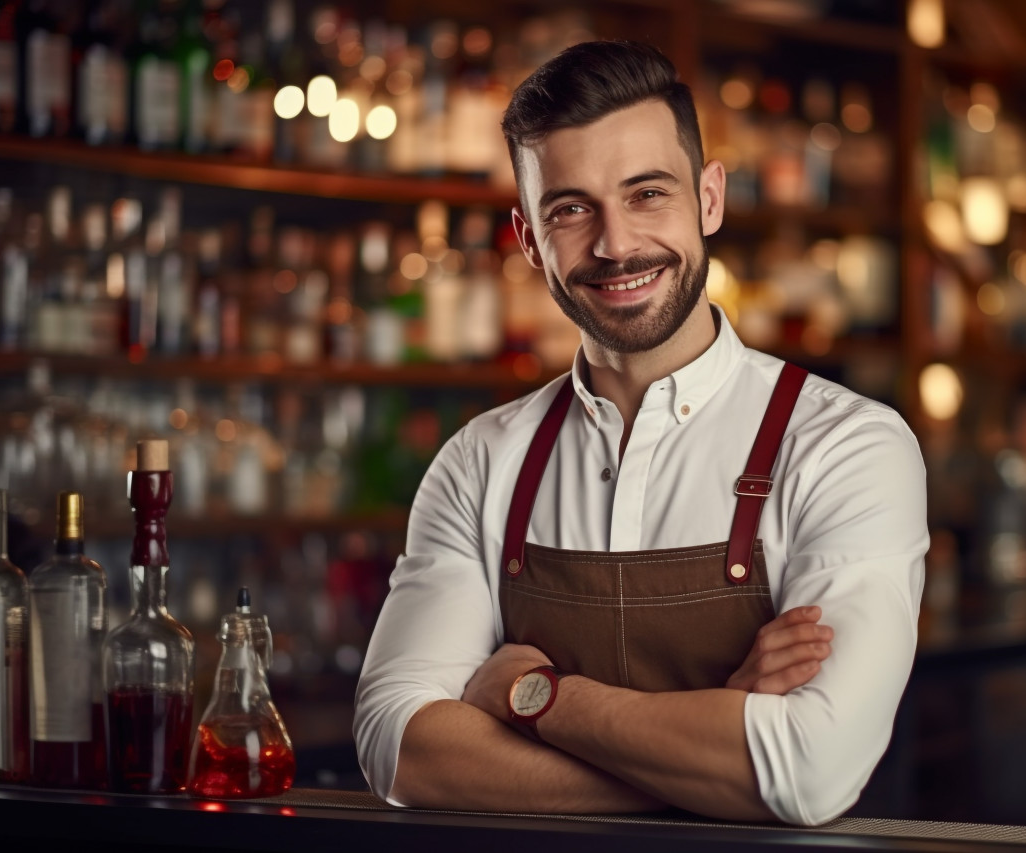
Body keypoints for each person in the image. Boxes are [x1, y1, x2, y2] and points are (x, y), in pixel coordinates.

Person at [353, 40, 928, 826]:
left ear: (710, 198)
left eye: (648, 193)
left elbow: (810, 768)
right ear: (528, 240)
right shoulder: (480, 462)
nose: (615, 244)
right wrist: (712, 763)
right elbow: (399, 746)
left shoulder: (845, 447)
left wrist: (535, 695)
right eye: (571, 208)